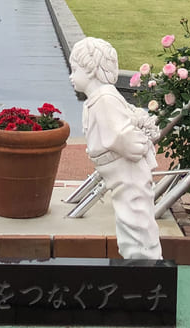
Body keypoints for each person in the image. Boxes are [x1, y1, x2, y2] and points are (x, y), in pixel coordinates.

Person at [69, 37, 162, 260]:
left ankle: (146, 266)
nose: (71, 76)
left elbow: (120, 136)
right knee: (128, 216)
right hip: (118, 172)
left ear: (90, 70)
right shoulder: (98, 98)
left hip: (127, 171)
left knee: (135, 216)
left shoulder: (104, 98)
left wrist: (137, 144)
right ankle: (138, 263)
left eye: (75, 69)